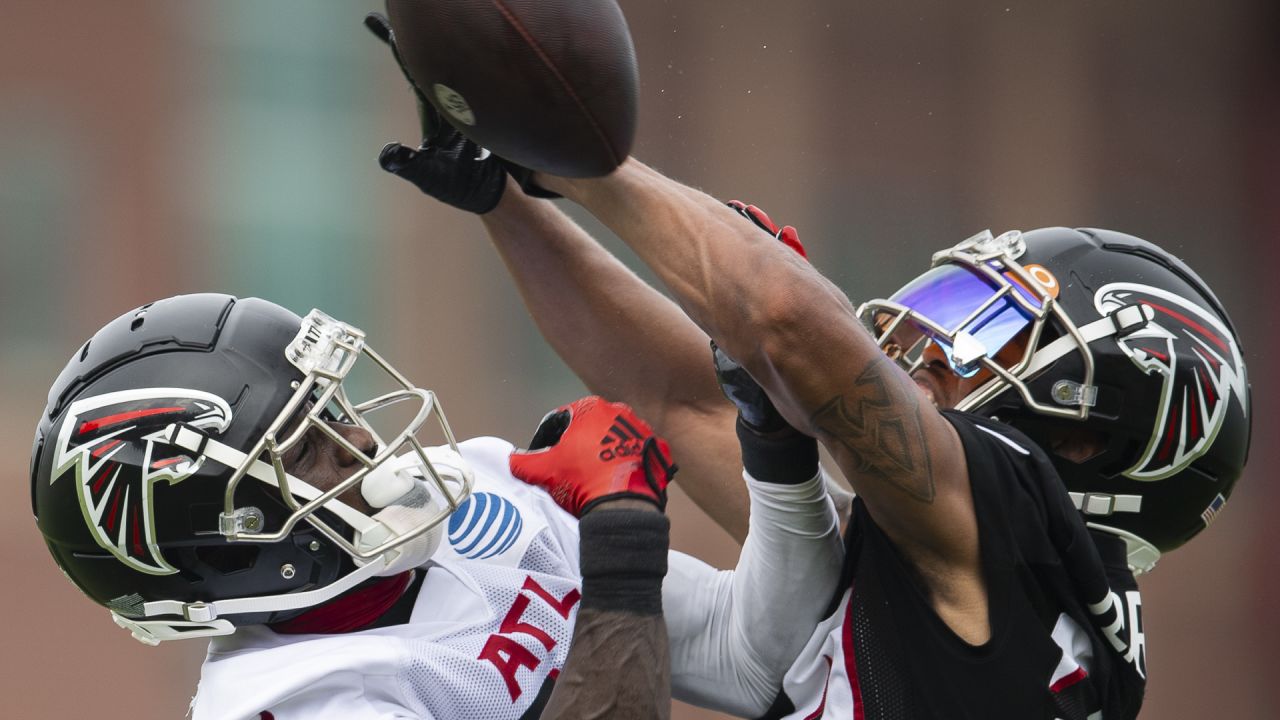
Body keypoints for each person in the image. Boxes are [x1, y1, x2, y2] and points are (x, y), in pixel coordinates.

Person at [373, 19, 1252, 720]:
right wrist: (503, 196)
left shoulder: (1017, 525)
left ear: (1091, 435)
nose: (931, 346)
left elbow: (788, 320)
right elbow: (688, 401)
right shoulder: (987, 584)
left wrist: (571, 151)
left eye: (991, 329)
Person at [29, 293, 841, 719]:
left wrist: (772, 435)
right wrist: (621, 543)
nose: (361, 446)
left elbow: (755, 657)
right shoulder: (292, 702)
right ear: (227, 536)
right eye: (307, 445)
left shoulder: (470, 485)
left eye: (333, 408)